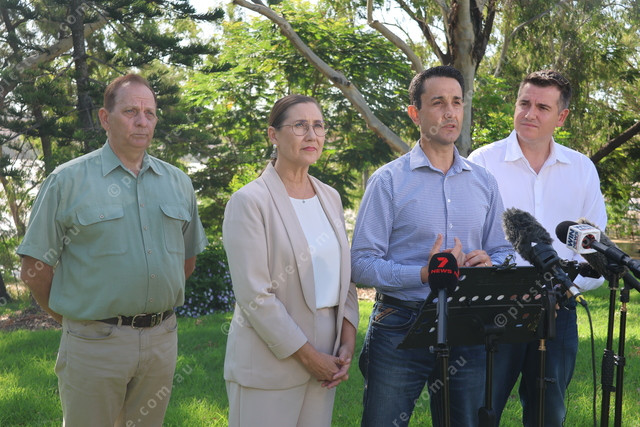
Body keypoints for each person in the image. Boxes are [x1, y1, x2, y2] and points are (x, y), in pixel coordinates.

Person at [17, 73, 208, 426]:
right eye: (131, 111)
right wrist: (77, 320)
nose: (142, 121)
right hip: (94, 344)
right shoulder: (67, 181)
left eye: (150, 113)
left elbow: (187, 260)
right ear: (105, 118)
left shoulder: (178, 183)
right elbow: (34, 269)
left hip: (161, 342)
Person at [351, 65, 514, 427]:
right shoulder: (388, 181)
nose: (450, 112)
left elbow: (505, 251)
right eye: (438, 102)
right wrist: (423, 274)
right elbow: (361, 264)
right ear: (415, 113)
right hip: (400, 323)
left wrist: (490, 263)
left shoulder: (484, 182)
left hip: (467, 322)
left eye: (457, 102)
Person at [468, 69, 607, 426]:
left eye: (542, 107)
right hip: (496, 309)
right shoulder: (482, 162)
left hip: (559, 310)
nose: (530, 114)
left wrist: (564, 289)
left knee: (548, 415)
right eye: (524, 103)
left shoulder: (582, 169)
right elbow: (468, 238)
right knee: (481, 410)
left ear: (561, 117)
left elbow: (595, 251)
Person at [222, 94, 359, 427]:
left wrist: (347, 340)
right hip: (269, 362)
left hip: (328, 358)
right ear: (273, 135)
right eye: (300, 125)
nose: (312, 135)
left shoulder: (330, 197)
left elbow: (344, 275)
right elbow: (255, 296)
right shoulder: (249, 201)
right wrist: (309, 357)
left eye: (318, 126)